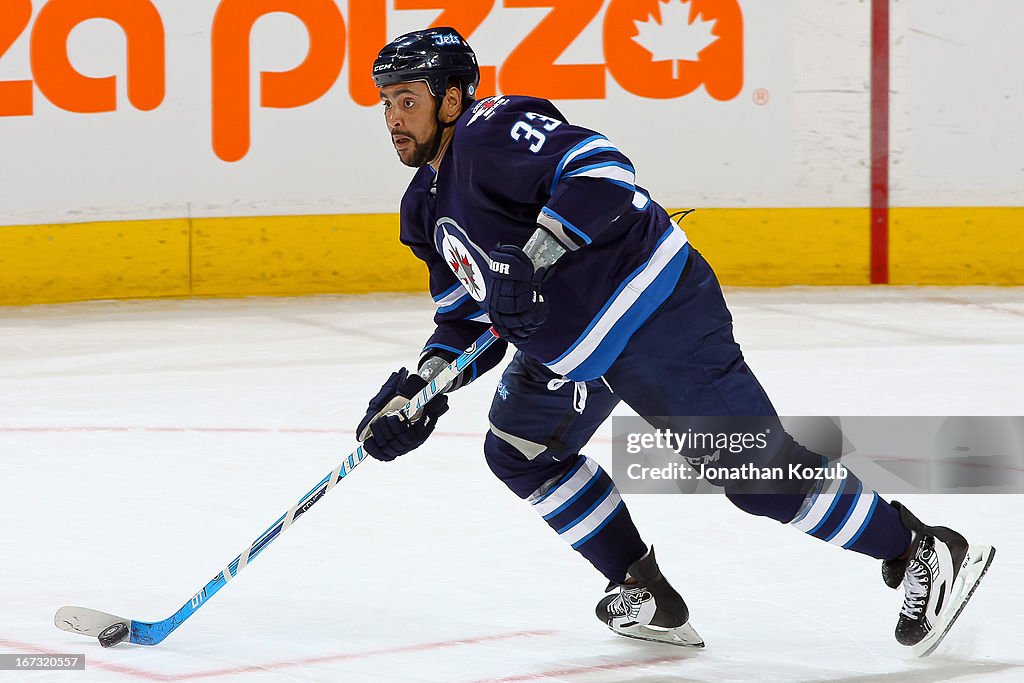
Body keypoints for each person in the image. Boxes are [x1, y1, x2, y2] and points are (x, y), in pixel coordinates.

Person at [356, 27, 994, 653]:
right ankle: (645, 591)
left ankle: (922, 550)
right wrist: (420, 390)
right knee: (520, 448)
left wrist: (537, 252)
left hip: (655, 313)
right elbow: (468, 321)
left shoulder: (490, 129)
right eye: (385, 101)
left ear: (452, 97)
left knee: (758, 475)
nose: (393, 117)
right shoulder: (422, 209)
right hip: (575, 354)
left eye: (407, 99)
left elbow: (602, 168)